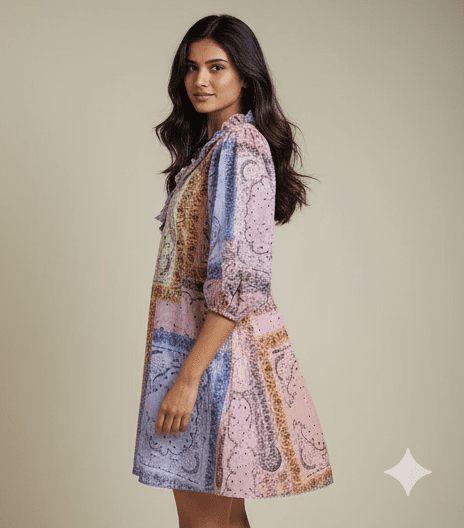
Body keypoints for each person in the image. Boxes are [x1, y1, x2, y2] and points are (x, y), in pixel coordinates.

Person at [132, 14, 334, 528]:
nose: (200, 80)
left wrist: (188, 380)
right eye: (192, 67)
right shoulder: (214, 149)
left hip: (211, 363)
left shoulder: (239, 148)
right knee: (226, 521)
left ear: (245, 76)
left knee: (202, 523)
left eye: (216, 67)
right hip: (200, 356)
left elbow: (241, 279)